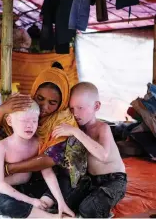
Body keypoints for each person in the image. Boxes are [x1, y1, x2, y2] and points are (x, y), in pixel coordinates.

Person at [0, 64, 87, 214]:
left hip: (49, 178)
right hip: (18, 182)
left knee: (67, 183)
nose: (44, 106)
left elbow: (49, 162)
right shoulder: (24, 107)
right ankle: (43, 211)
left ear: (62, 101)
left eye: (52, 103)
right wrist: (2, 111)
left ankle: (42, 208)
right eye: (40, 98)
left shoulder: (63, 121)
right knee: (3, 203)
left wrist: (10, 168)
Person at [51, 82, 127, 218]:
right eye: (72, 108)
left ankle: (103, 212)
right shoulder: (77, 129)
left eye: (80, 107)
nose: (75, 113)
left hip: (114, 181)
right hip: (90, 181)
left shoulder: (102, 128)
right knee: (65, 205)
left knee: (88, 208)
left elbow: (103, 155)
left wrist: (75, 132)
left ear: (96, 106)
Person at [0, 100, 74, 218]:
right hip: (11, 189)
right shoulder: (2, 147)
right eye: (24, 121)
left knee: (64, 180)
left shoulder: (37, 143)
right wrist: (31, 201)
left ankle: (43, 207)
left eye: (34, 121)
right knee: (2, 204)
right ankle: (49, 216)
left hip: (33, 185)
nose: (30, 125)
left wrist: (61, 202)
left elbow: (48, 173)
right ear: (10, 121)